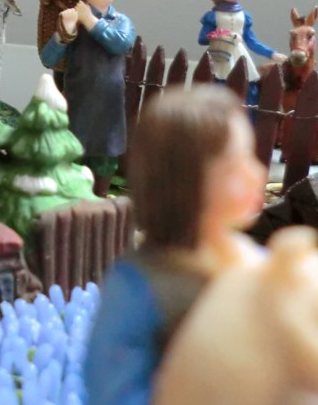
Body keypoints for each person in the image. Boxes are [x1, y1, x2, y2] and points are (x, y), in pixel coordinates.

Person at [82, 86, 268, 405]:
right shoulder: (139, 288)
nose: (258, 173)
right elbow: (111, 387)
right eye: (235, 165)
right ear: (185, 181)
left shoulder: (252, 260)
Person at [40, 0, 135, 195]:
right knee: (74, 153)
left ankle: (100, 199)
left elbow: (120, 44)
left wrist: (90, 21)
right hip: (79, 103)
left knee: (105, 157)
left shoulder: (121, 22)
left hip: (110, 107)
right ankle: (71, 197)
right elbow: (48, 59)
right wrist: (64, 32)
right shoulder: (73, 20)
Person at [199, 0, 286, 106]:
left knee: (247, 88)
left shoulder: (244, 16)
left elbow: (252, 42)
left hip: (239, 54)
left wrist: (272, 54)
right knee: (219, 86)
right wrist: (221, 35)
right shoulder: (212, 16)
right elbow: (202, 39)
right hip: (219, 55)